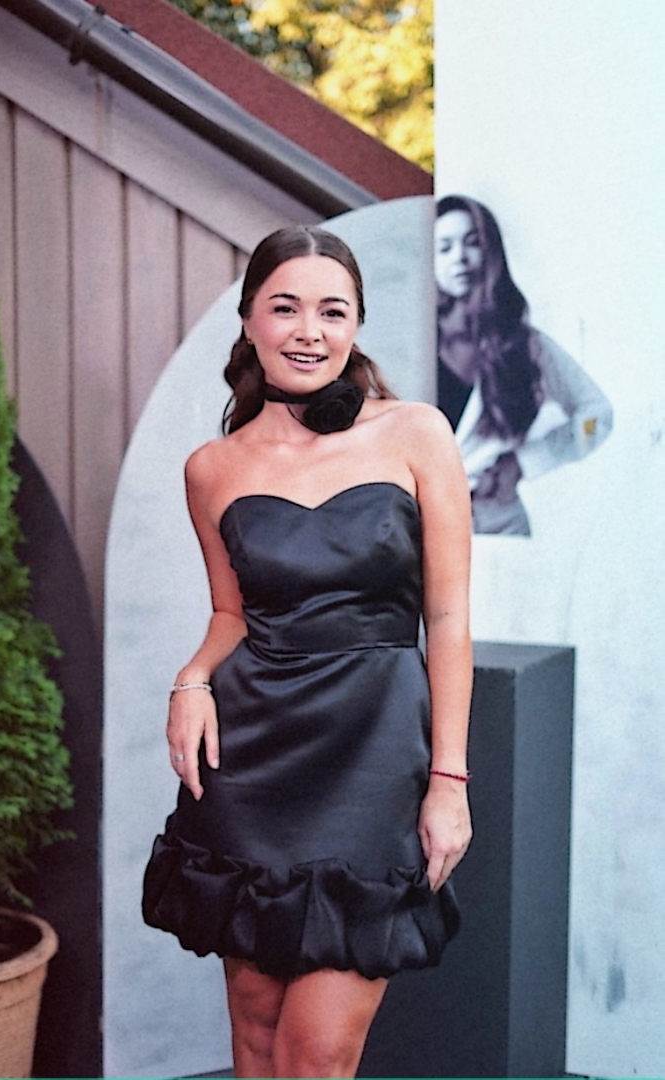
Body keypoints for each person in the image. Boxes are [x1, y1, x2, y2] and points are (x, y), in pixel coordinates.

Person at [142, 225, 473, 1079]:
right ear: (248, 319)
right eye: (284, 308)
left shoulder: (417, 433)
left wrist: (448, 780)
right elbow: (231, 613)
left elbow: (446, 618)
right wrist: (191, 680)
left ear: (356, 325)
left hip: (376, 758)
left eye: (332, 311)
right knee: (256, 1032)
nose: (308, 331)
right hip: (253, 761)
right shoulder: (212, 468)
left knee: (316, 1053)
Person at [435, 194, 613, 535]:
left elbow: (597, 416)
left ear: (490, 252)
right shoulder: (414, 344)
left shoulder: (521, 344)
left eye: (472, 243)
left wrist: (521, 462)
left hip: (497, 525)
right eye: (444, 248)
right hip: (419, 528)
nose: (460, 258)